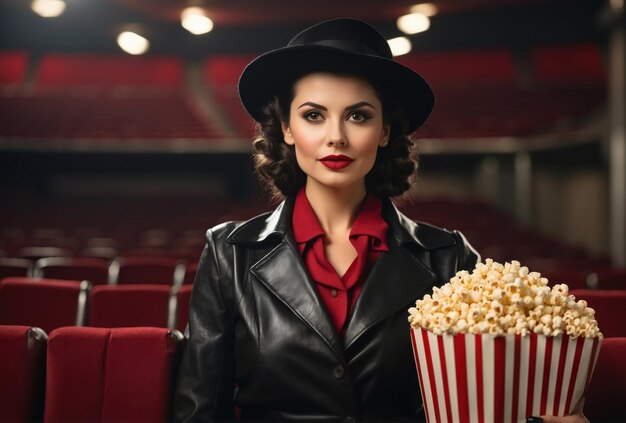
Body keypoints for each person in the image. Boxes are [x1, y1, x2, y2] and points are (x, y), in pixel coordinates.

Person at [173, 18, 588, 423]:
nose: (336, 135)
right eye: (314, 115)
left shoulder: (450, 258)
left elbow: (491, 399)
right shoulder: (229, 253)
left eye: (358, 116)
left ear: (385, 130)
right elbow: (201, 410)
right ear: (286, 128)